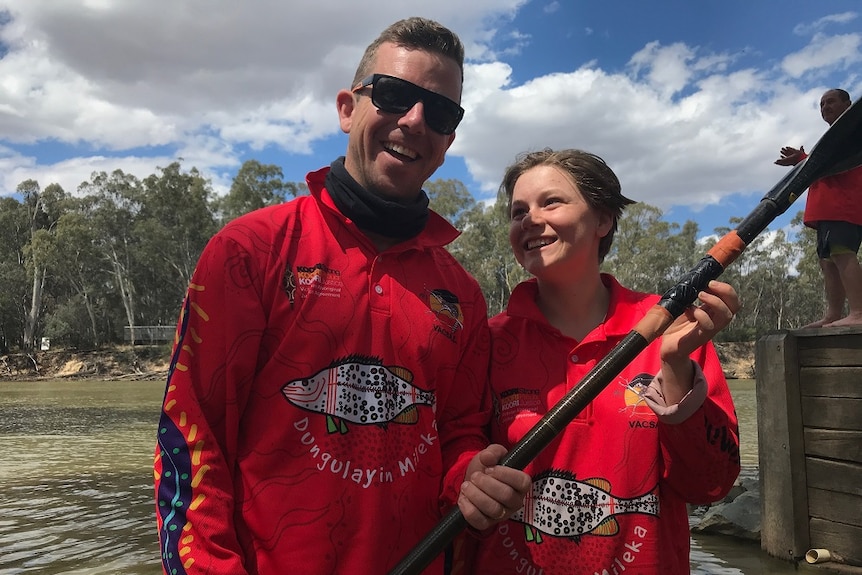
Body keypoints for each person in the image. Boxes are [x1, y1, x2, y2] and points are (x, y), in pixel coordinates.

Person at [153, 17, 530, 575]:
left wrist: (470, 478)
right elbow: (193, 442)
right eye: (395, 95)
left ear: (450, 139)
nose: (415, 121)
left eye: (441, 112)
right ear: (347, 108)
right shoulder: (248, 251)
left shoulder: (463, 296)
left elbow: (457, 435)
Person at [459, 149, 741, 575]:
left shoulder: (675, 333)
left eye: (551, 202)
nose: (530, 219)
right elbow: (458, 451)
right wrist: (467, 477)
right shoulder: (487, 341)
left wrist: (676, 370)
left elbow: (710, 485)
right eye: (519, 211)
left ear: (603, 220)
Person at [775, 88, 862, 328]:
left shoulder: (852, 131)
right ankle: (834, 314)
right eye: (821, 105)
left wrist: (803, 160)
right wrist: (803, 159)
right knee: (827, 261)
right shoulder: (835, 136)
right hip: (827, 210)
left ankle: (859, 312)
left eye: (831, 102)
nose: (825, 108)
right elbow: (823, 162)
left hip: (843, 205)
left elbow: (833, 163)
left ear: (848, 104)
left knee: (842, 252)